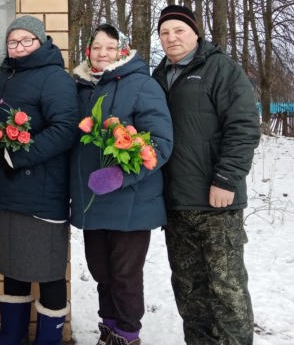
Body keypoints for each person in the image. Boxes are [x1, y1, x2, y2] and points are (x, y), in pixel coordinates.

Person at [151, 5, 259, 345]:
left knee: (226, 291)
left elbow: (243, 126)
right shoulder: (158, 76)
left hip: (217, 202)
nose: (171, 38)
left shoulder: (220, 70)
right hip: (176, 204)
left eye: (179, 31)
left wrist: (226, 179)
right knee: (189, 290)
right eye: (165, 33)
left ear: (196, 33)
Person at [0, 15, 78, 345]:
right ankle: (12, 334)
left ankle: (48, 339)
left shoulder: (54, 78)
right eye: (12, 42)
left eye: (26, 41)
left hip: (41, 192)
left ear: (41, 42)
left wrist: (13, 157)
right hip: (7, 191)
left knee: (47, 271)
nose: (18, 47)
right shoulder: (6, 77)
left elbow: (64, 130)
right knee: (13, 264)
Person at [69, 23, 173, 345]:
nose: (103, 53)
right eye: (96, 47)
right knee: (101, 274)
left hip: (131, 201)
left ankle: (128, 335)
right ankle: (109, 331)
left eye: (110, 47)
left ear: (122, 51)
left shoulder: (142, 85)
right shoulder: (81, 88)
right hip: (93, 201)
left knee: (125, 276)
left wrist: (121, 174)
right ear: (89, 51)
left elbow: (160, 141)